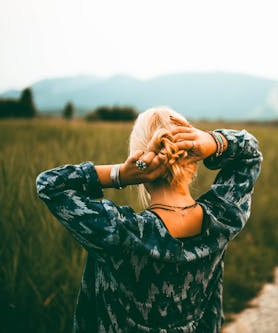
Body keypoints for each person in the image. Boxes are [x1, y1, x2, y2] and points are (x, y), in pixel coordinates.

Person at [36, 107, 262, 333]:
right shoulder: (222, 220)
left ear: (139, 165)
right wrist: (215, 141)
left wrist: (120, 174)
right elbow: (250, 154)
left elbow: (50, 185)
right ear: (194, 161)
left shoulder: (119, 232)